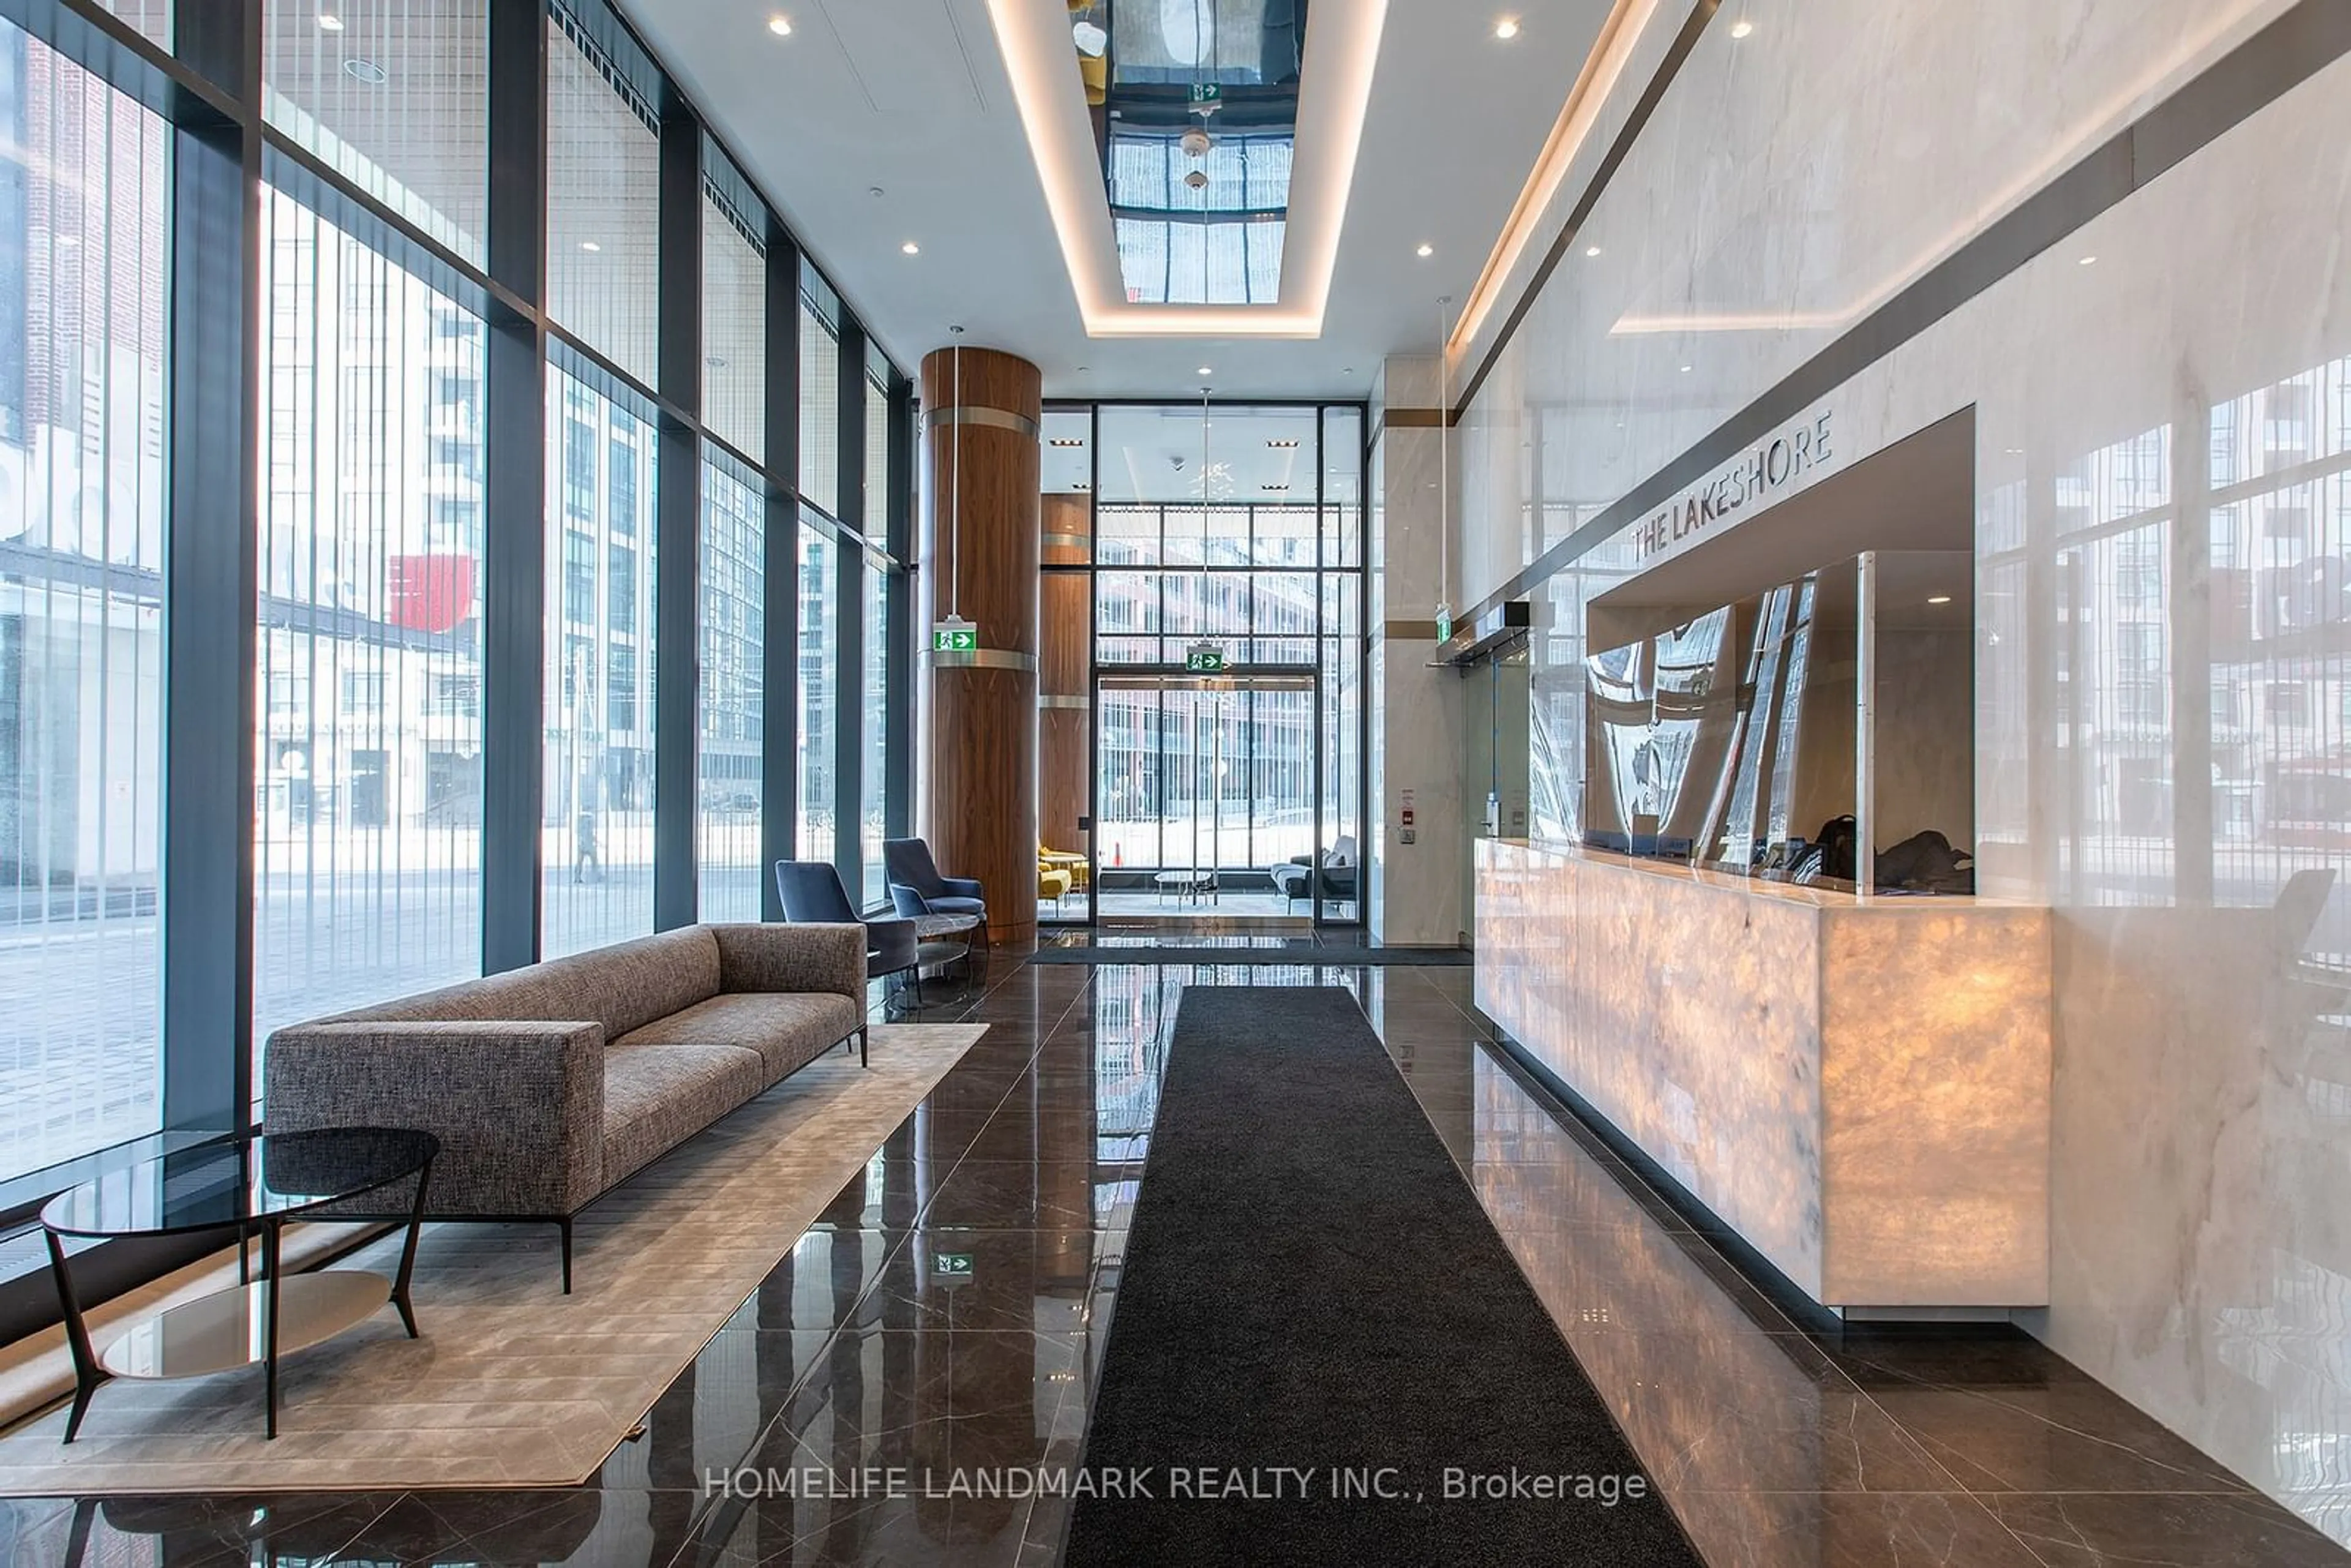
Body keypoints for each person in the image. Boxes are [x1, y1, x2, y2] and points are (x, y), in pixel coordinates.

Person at [574, 809, 599, 884]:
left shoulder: (581, 826)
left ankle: (577, 877)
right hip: (587, 845)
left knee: (580, 862)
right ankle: (595, 876)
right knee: (593, 861)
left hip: (582, 845)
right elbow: (589, 835)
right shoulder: (587, 822)